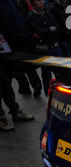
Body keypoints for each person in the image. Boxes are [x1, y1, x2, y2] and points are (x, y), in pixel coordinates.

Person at [0, 0, 35, 131]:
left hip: (9, 47)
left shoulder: (9, 2)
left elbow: (15, 20)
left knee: (6, 80)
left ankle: (14, 111)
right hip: (3, 45)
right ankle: (1, 117)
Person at [26, 0, 62, 95]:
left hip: (55, 48)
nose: (41, 3)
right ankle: (48, 95)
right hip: (43, 50)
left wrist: (46, 31)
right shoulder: (30, 17)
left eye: (42, 0)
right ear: (33, 4)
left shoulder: (49, 14)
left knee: (61, 72)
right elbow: (38, 31)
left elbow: (57, 28)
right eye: (38, 1)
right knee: (46, 75)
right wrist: (49, 30)